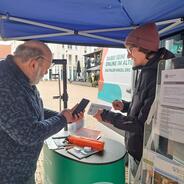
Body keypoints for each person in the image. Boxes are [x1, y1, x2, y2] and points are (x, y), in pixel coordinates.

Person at [93, 23, 174, 177]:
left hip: (147, 155)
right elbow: (144, 107)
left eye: (130, 50)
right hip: (136, 149)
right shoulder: (146, 69)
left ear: (143, 48)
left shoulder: (159, 74)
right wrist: (125, 106)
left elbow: (141, 125)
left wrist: (107, 116)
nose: (129, 55)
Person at [0, 40, 83, 184]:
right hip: (9, 176)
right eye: (47, 68)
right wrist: (62, 119)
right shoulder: (5, 84)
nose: (46, 73)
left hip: (22, 170)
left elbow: (30, 111)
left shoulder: (21, 78)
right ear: (33, 64)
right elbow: (28, 134)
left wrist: (63, 115)